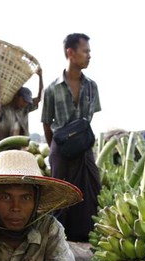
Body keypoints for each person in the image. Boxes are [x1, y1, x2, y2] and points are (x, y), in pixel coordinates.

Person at [41, 33, 102, 242]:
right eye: (85, 51)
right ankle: (57, 242)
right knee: (60, 196)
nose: (89, 56)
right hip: (62, 148)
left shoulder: (92, 86)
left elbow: (89, 119)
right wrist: (56, 150)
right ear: (71, 53)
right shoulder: (52, 89)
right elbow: (46, 123)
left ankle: (86, 237)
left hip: (83, 147)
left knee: (91, 190)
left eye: (89, 52)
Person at [0, 67, 43, 141]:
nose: (25, 103)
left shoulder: (25, 109)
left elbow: (39, 97)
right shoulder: (5, 108)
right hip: (3, 147)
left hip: (20, 147)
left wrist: (40, 77)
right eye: (23, 100)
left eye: (27, 102)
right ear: (16, 96)